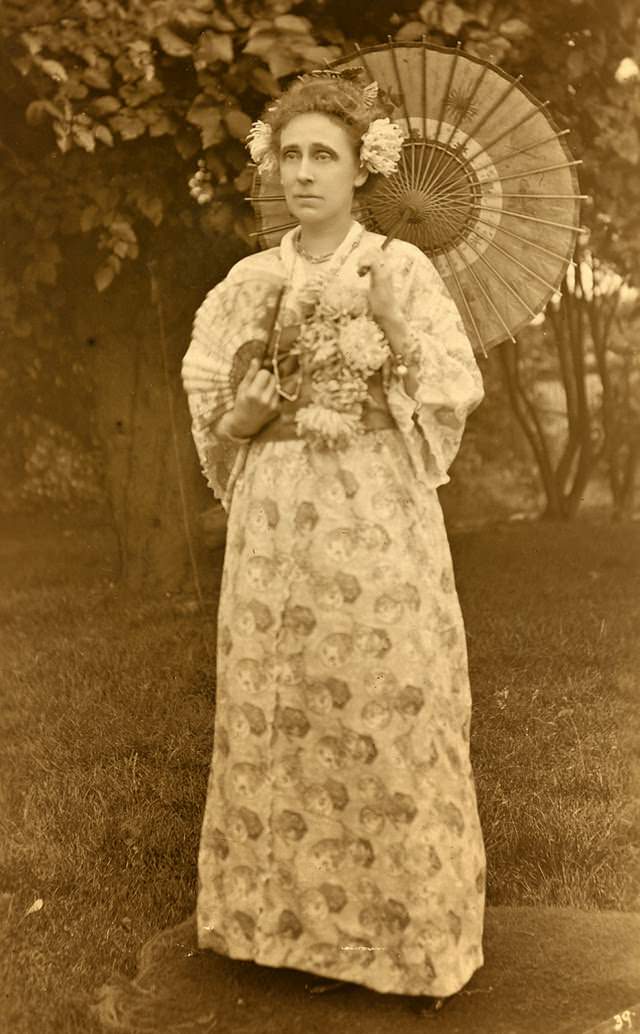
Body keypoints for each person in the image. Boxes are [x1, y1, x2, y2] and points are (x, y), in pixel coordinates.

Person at [181, 69, 486, 1001]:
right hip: (277, 518)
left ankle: (408, 946)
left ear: (362, 169)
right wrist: (241, 419)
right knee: (281, 697)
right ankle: (277, 933)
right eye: (291, 155)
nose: (305, 172)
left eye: (326, 155)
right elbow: (210, 398)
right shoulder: (251, 280)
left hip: (376, 512)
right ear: (272, 167)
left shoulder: (399, 269)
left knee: (388, 697)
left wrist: (394, 329)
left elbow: (454, 387)